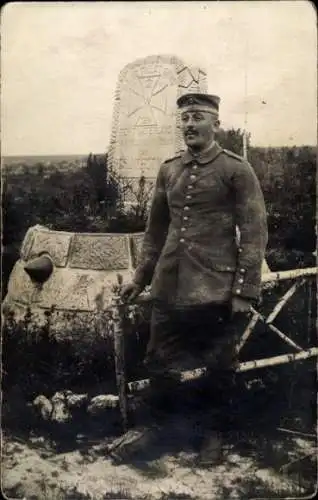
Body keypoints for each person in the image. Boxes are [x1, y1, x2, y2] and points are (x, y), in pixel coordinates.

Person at [115, 93, 268, 465]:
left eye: (197, 117)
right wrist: (141, 277)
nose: (188, 125)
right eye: (183, 118)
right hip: (170, 284)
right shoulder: (169, 170)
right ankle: (158, 431)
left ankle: (212, 436)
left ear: (216, 123)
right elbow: (154, 231)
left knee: (218, 363)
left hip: (215, 286)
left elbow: (254, 231)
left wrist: (245, 289)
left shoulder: (236, 170)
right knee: (159, 361)